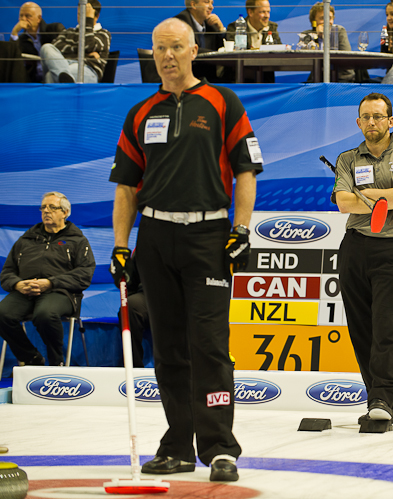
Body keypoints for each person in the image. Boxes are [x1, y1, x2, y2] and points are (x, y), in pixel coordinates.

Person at [109, 17, 262, 482]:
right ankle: (177, 445)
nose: (167, 56)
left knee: (210, 346)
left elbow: (246, 172)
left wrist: (241, 229)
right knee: (170, 348)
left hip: (208, 238)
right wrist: (120, 245)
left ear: (194, 50)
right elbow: (125, 187)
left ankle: (220, 448)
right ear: (151, 54)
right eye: (159, 49)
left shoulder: (222, 102)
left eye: (176, 47)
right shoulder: (140, 112)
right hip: (154, 239)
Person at [332, 93, 393, 425]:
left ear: (390, 121)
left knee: (390, 326)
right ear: (359, 122)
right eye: (366, 117)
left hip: (392, 246)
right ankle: (381, 398)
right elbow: (343, 203)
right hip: (354, 247)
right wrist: (385, 196)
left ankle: (384, 396)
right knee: (361, 329)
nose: (372, 122)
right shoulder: (346, 159)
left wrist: (365, 194)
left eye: (378, 116)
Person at [0, 192, 95, 367]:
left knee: (44, 314)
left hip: (60, 292)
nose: (46, 211)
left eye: (52, 207)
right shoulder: (25, 240)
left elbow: (84, 274)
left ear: (65, 213)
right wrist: (18, 284)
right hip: (25, 291)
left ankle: (55, 361)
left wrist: (51, 282)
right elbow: (7, 272)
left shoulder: (77, 241)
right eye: (43, 207)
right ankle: (31, 358)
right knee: (2, 313)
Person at [39, 0, 110, 83]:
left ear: (96, 16)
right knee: (46, 47)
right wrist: (80, 51)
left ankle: (65, 79)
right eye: (79, 14)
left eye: (84, 15)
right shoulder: (69, 31)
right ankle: (65, 80)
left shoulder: (103, 34)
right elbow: (56, 47)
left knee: (50, 76)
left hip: (87, 69)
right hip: (63, 64)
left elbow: (88, 45)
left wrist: (88, 22)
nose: (80, 18)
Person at [299, 2, 354, 82]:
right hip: (317, 78)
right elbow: (304, 60)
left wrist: (326, 38)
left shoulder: (339, 31)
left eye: (330, 18)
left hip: (342, 78)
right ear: (314, 21)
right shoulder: (306, 35)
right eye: (322, 18)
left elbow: (346, 57)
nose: (327, 21)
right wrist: (317, 36)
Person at [9, 2, 64, 82]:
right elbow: (13, 60)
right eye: (21, 16)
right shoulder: (20, 40)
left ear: (39, 18)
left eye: (28, 16)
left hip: (53, 74)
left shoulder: (54, 30)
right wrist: (14, 32)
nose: (23, 19)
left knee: (49, 75)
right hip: (32, 80)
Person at [175, 0, 227, 82]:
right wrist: (215, 53)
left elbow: (225, 47)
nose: (211, 7)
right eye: (206, 2)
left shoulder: (210, 24)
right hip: (188, 79)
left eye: (212, 3)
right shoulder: (180, 22)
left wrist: (221, 29)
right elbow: (188, 49)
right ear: (194, 4)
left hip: (208, 78)